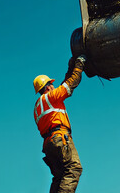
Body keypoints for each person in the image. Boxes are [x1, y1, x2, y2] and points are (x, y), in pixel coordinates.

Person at [33, 55, 86, 193]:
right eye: (51, 84)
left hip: (49, 144)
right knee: (74, 168)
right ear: (48, 86)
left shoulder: (39, 106)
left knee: (60, 176)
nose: (54, 85)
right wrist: (80, 65)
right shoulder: (51, 97)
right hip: (60, 138)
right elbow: (71, 84)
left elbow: (63, 85)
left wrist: (70, 68)